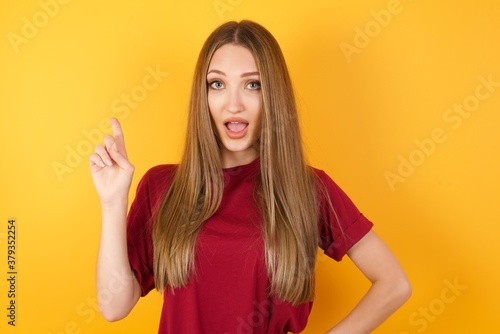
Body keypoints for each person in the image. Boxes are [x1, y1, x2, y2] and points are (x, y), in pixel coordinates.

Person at [90, 20, 411, 334]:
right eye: (217, 84)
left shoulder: (308, 189)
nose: (234, 104)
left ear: (273, 95)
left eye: (252, 84)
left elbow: (394, 284)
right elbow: (114, 306)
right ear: (203, 97)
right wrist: (112, 201)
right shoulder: (163, 187)